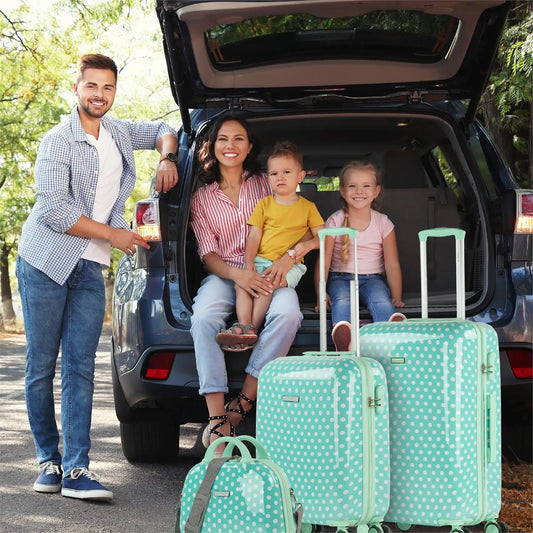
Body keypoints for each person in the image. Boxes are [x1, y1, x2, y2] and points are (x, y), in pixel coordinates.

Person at [16, 54, 179, 501]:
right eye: (92, 86)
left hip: (89, 267)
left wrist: (166, 158)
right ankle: (48, 458)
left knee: (80, 367)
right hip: (45, 262)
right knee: (41, 365)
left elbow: (167, 129)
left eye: (107, 87)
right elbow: (53, 210)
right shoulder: (57, 141)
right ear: (77, 89)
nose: (100, 95)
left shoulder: (120, 132)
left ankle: (77, 469)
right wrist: (116, 235)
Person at [189, 116, 303, 452]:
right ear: (213, 146)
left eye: (239, 139)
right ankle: (216, 420)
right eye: (223, 139)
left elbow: (298, 224)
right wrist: (240, 275)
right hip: (226, 274)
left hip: (270, 271)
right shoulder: (202, 198)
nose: (231, 146)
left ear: (249, 147)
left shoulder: (267, 184)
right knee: (203, 319)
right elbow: (208, 255)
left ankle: (239, 409)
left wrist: (288, 259)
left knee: (288, 316)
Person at [216, 140, 324, 350]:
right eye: (274, 174)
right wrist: (248, 262)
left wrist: (308, 245)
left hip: (292, 266)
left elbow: (324, 237)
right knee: (242, 285)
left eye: (286, 172)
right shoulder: (264, 204)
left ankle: (251, 330)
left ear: (300, 176)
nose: (280, 177)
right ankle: (244, 325)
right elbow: (254, 236)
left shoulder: (308, 207)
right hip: (260, 259)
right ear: (268, 178)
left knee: (266, 285)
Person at [315, 160, 405, 352]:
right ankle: (344, 339)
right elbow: (324, 261)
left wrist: (396, 296)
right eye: (352, 186)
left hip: (373, 279)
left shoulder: (383, 223)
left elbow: (392, 264)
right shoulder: (335, 221)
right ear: (342, 191)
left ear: (376, 191)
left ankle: (390, 333)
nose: (359, 192)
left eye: (366, 186)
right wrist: (320, 293)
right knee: (342, 300)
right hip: (340, 279)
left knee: (381, 300)